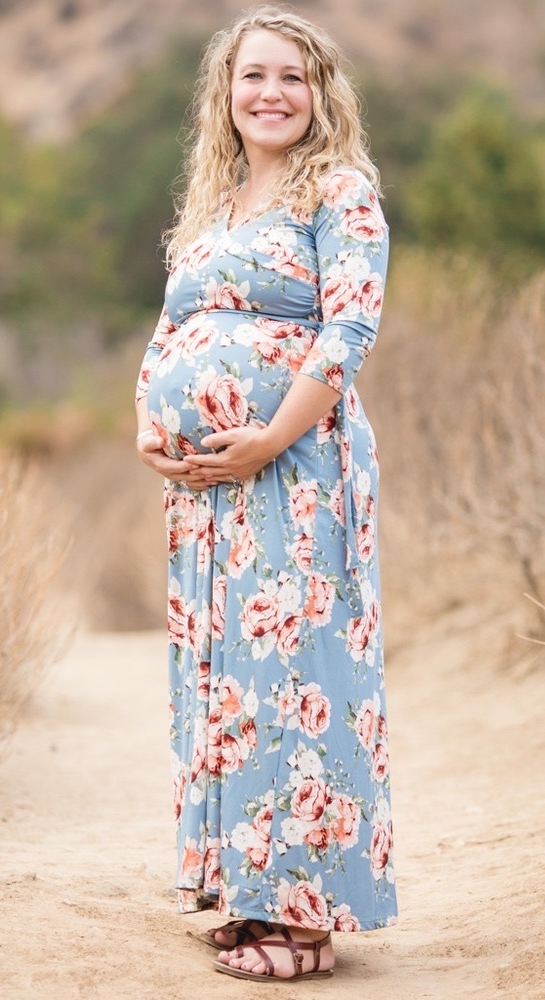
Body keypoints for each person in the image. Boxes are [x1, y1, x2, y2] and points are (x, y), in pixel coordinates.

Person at [134, 5, 397, 982]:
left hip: (295, 471)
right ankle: (244, 897)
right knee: (224, 685)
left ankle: (304, 915)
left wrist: (267, 440)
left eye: (292, 76)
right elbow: (170, 327)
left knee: (296, 682)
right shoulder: (217, 202)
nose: (271, 93)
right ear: (226, 93)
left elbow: (347, 335)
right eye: (253, 76)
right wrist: (147, 420)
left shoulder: (341, 192)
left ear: (321, 91)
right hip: (205, 496)